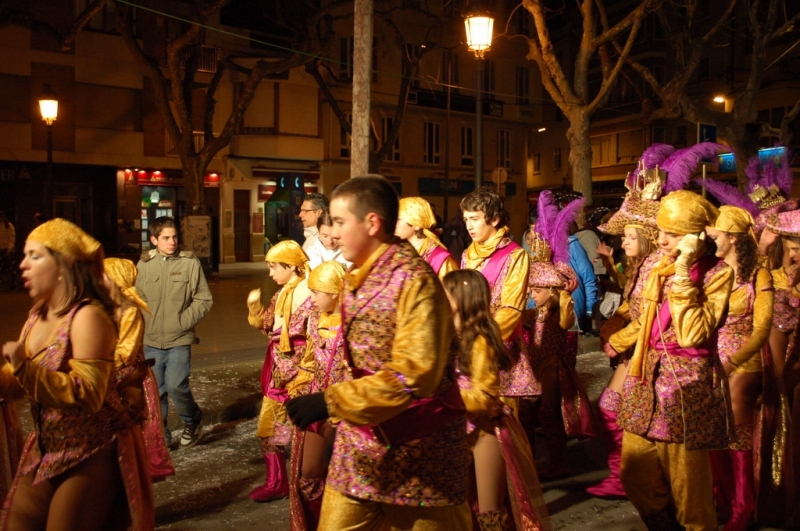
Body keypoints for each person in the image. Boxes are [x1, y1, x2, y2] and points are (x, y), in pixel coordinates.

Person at [286, 175, 471, 530]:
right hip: (361, 444)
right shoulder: (358, 274)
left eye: (340, 222)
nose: (333, 233)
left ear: (371, 223)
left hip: (419, 451)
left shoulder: (414, 280)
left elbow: (416, 375)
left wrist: (331, 402)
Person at [0, 218, 154, 531]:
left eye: (35, 255)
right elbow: (19, 381)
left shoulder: (88, 316)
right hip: (47, 448)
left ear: (63, 264)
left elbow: (88, 394)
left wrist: (23, 367)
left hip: (92, 451)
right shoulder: (37, 316)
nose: (22, 265)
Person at [605, 190, 734, 530]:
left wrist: (681, 272)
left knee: (689, 492)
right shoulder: (658, 268)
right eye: (660, 231)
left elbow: (692, 332)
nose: (661, 240)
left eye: (672, 234)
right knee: (635, 473)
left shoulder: (718, 274)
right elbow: (645, 321)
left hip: (686, 390)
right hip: (647, 381)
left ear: (695, 237)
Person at [443, 269, 551, 530]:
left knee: (490, 512)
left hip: (484, 430)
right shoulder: (448, 337)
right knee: (462, 506)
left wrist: (443, 396)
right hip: (456, 427)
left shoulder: (479, 341)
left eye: (444, 292)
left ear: (462, 298)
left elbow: (484, 396)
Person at [589, 177, 662, 498]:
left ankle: (632, 478)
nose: (624, 242)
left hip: (648, 349)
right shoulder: (640, 265)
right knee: (614, 409)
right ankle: (623, 474)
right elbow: (632, 300)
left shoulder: (656, 266)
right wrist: (616, 322)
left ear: (647, 237)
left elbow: (649, 314)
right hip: (633, 347)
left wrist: (616, 340)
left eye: (630, 236)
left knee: (619, 410)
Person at [704, 207, 771, 531]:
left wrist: (731, 362)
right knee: (713, 435)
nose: (709, 239)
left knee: (737, 436)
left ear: (732, 238)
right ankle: (723, 499)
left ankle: (744, 509)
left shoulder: (760, 274)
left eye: (715, 236)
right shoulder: (714, 274)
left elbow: (761, 331)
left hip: (745, 365)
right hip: (712, 364)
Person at [136, 216, 212, 449]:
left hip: (179, 338)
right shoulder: (144, 265)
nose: (172, 242)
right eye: (166, 238)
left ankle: (192, 419)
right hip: (151, 341)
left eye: (175, 237)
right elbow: (136, 299)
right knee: (156, 392)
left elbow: (203, 299)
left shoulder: (189, 263)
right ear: (154, 240)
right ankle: (162, 435)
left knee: (176, 385)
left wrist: (182, 322)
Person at [246, 240, 314, 503]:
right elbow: (266, 324)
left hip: (301, 377)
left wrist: (305, 372)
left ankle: (303, 480)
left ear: (291, 266)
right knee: (270, 428)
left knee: (301, 431)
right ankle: (277, 482)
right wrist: (254, 307)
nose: (271, 273)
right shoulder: (282, 293)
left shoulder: (310, 293)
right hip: (279, 376)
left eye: (274, 267)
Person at [288, 260, 349, 530]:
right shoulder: (314, 318)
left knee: (339, 476)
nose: (311, 300)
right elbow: (310, 360)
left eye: (316, 293)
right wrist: (299, 387)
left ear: (334, 293)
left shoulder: (353, 323)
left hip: (344, 409)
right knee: (309, 472)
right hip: (317, 403)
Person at [461, 186, 533, 408]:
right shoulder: (467, 253)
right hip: (467, 346)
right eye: (465, 219)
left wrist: (484, 341)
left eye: (474, 219)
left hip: (500, 348)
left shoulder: (515, 255)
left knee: (502, 424)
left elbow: (511, 308)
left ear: (494, 219)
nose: (469, 226)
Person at [104, 257, 174, 482]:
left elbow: (125, 353)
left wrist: (97, 367)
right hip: (113, 379)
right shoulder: (107, 308)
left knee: (131, 437)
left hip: (128, 381)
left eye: (103, 275)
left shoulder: (129, 311)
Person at [396, 197, 458, 280]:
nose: (393, 224)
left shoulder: (440, 259)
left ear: (417, 224)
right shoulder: (398, 252)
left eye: (398, 219)